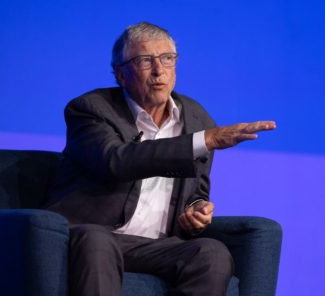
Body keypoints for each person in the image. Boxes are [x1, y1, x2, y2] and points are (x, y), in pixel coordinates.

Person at [45, 22, 277, 296]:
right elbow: (115, 161)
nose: (159, 70)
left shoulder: (196, 118)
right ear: (121, 74)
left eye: (167, 59)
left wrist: (197, 210)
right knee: (97, 241)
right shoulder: (91, 110)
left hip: (154, 245)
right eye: (145, 61)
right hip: (93, 234)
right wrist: (205, 140)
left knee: (211, 253)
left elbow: (197, 189)